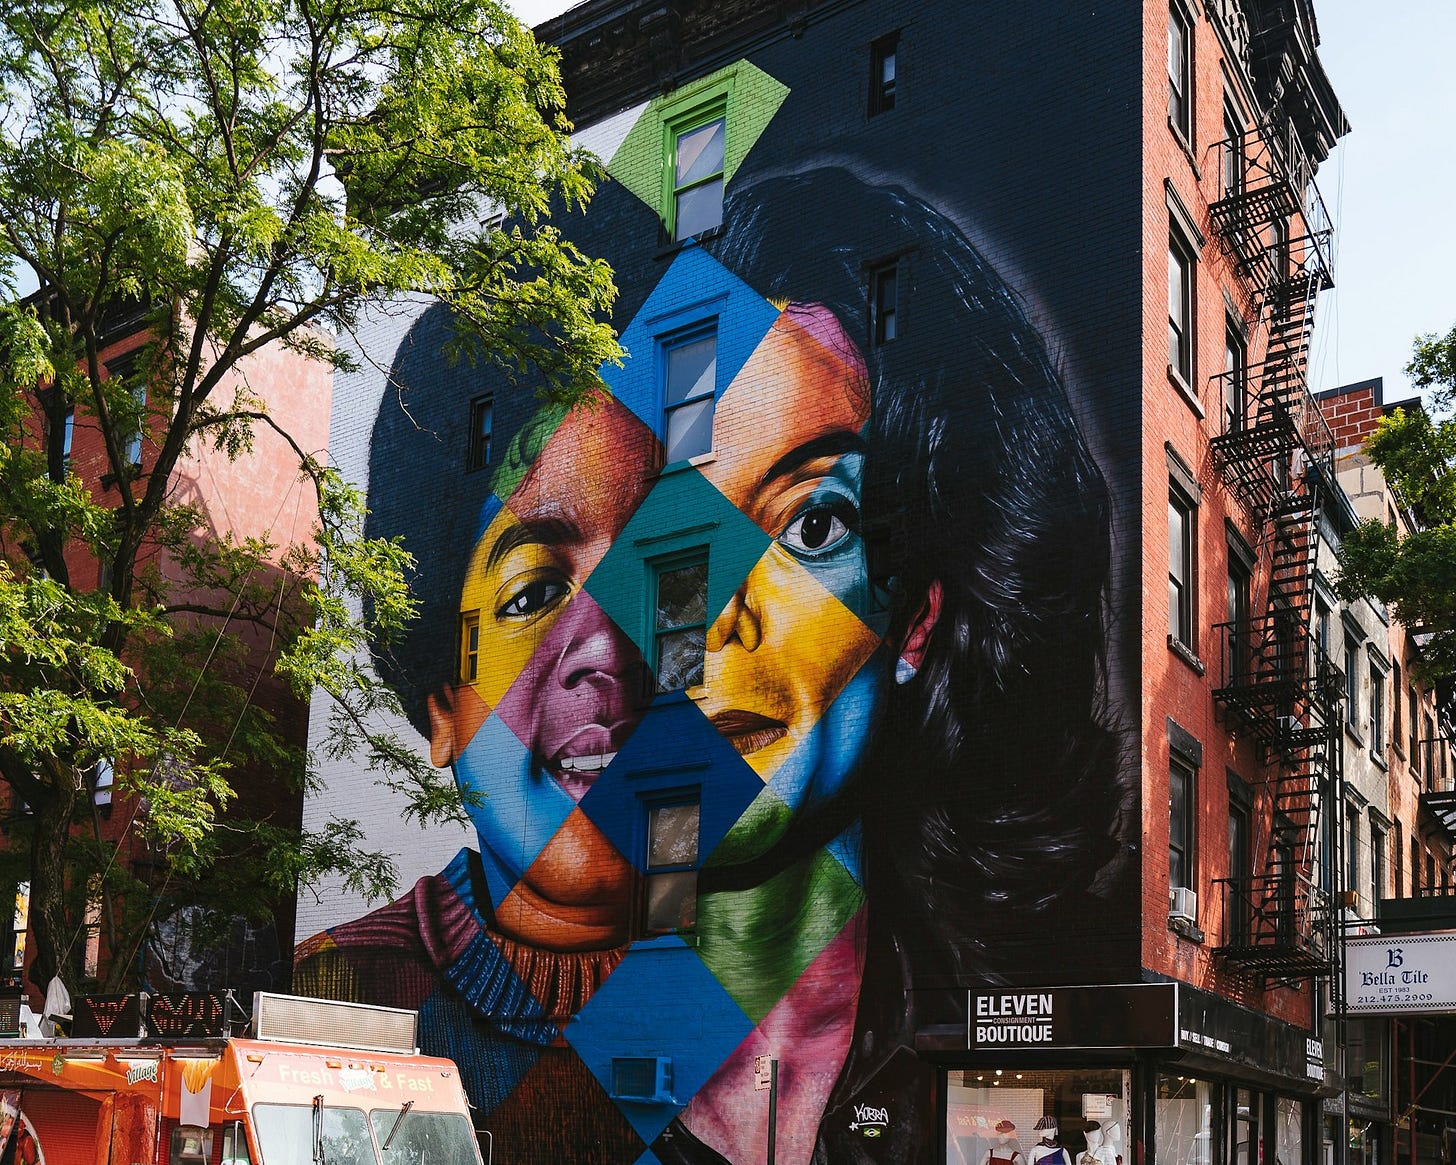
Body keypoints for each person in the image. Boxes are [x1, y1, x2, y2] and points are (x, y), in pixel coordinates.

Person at [297, 167, 1127, 1165]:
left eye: (809, 525)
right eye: (674, 541)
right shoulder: (415, 1013)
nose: (696, 618)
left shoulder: (976, 1022)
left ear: (912, 616)